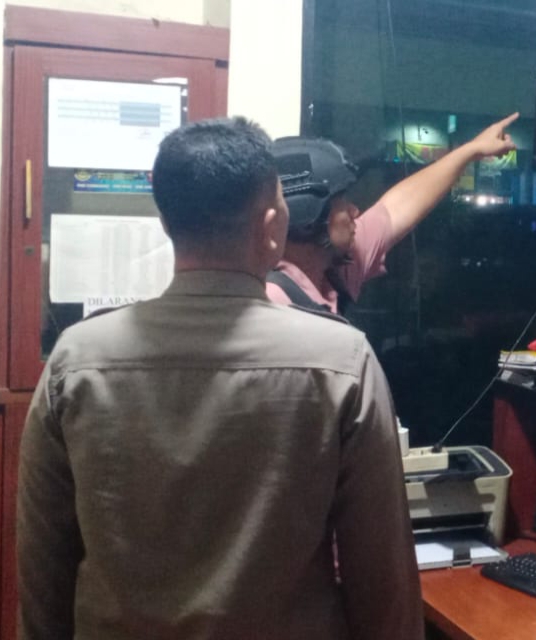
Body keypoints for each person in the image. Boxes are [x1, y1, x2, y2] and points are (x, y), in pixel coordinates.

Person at [17, 117, 420, 640]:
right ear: (271, 226)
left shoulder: (75, 361)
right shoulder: (342, 361)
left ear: (167, 223)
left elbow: (43, 571)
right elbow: (383, 581)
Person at [266, 113, 518, 316]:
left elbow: (396, 207)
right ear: (309, 219)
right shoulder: (271, 301)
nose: (354, 211)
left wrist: (472, 150)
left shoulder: (332, 270)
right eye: (341, 202)